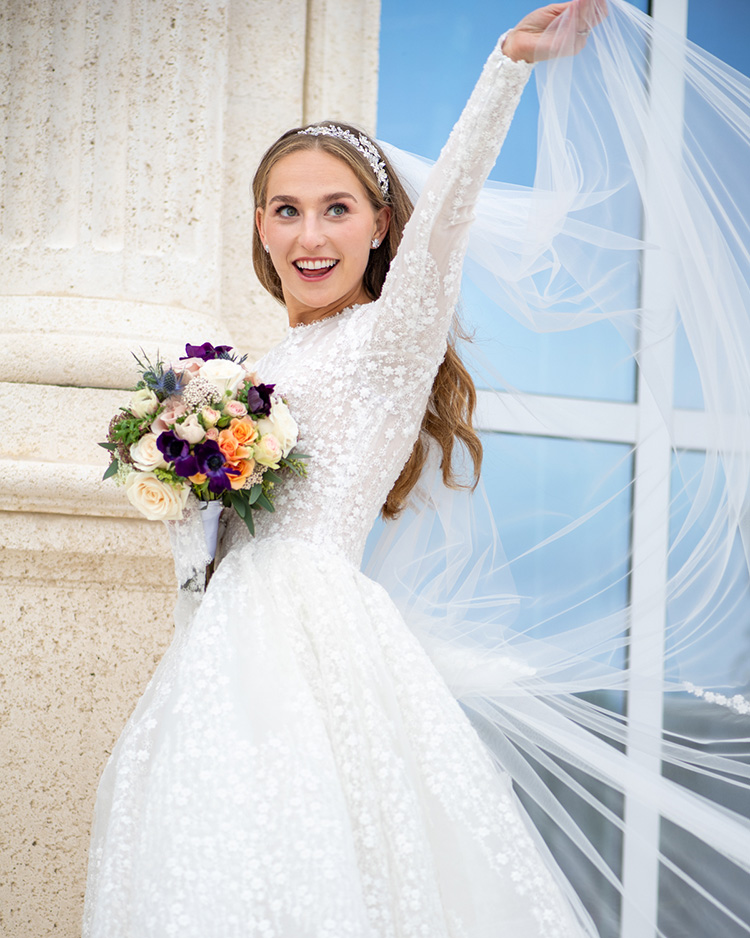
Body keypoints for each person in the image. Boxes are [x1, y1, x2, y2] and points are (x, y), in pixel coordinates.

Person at [83, 1, 750, 935]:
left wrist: (506, 65)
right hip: (219, 647)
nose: (310, 236)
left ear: (382, 225)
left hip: (316, 642)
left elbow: (452, 212)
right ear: (262, 232)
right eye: (287, 211)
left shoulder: (388, 341)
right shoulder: (251, 374)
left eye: (336, 209)